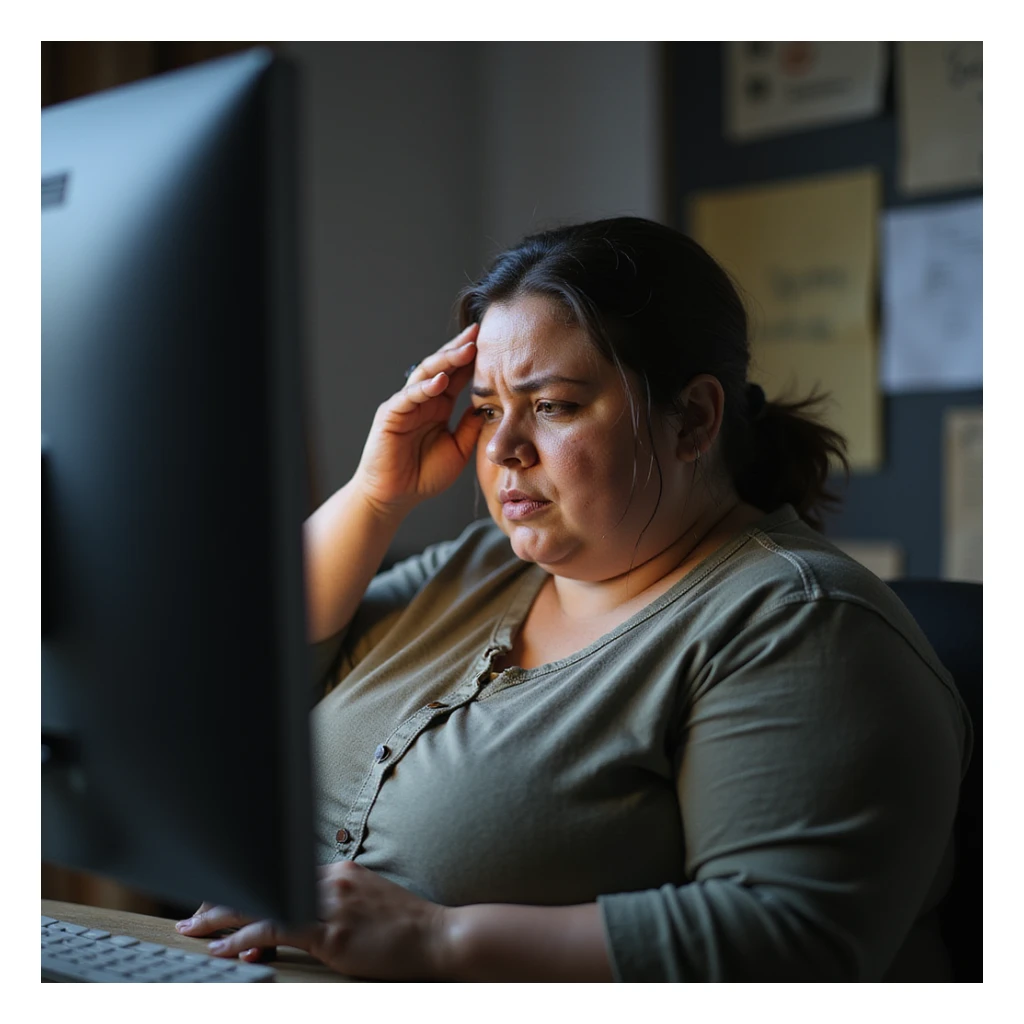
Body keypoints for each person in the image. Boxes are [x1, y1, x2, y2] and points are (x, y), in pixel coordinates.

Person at [177, 216, 972, 981]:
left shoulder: (798, 622)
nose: (499, 448)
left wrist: (438, 936)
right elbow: (236, 679)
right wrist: (374, 497)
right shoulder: (483, 563)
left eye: (551, 406)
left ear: (692, 419)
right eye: (487, 408)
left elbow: (789, 946)